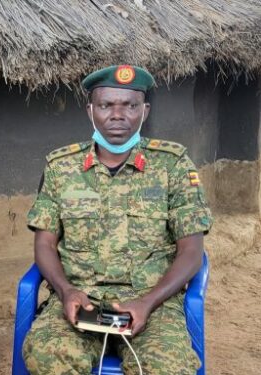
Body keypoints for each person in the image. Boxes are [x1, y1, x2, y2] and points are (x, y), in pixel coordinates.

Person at [23, 65, 212, 375]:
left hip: (154, 304)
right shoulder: (61, 168)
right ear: (91, 111)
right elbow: (44, 242)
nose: (117, 115)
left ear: (145, 111)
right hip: (78, 301)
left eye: (130, 105)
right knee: (48, 357)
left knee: (169, 367)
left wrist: (148, 302)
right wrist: (65, 290)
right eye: (106, 105)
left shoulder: (173, 166)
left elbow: (192, 251)